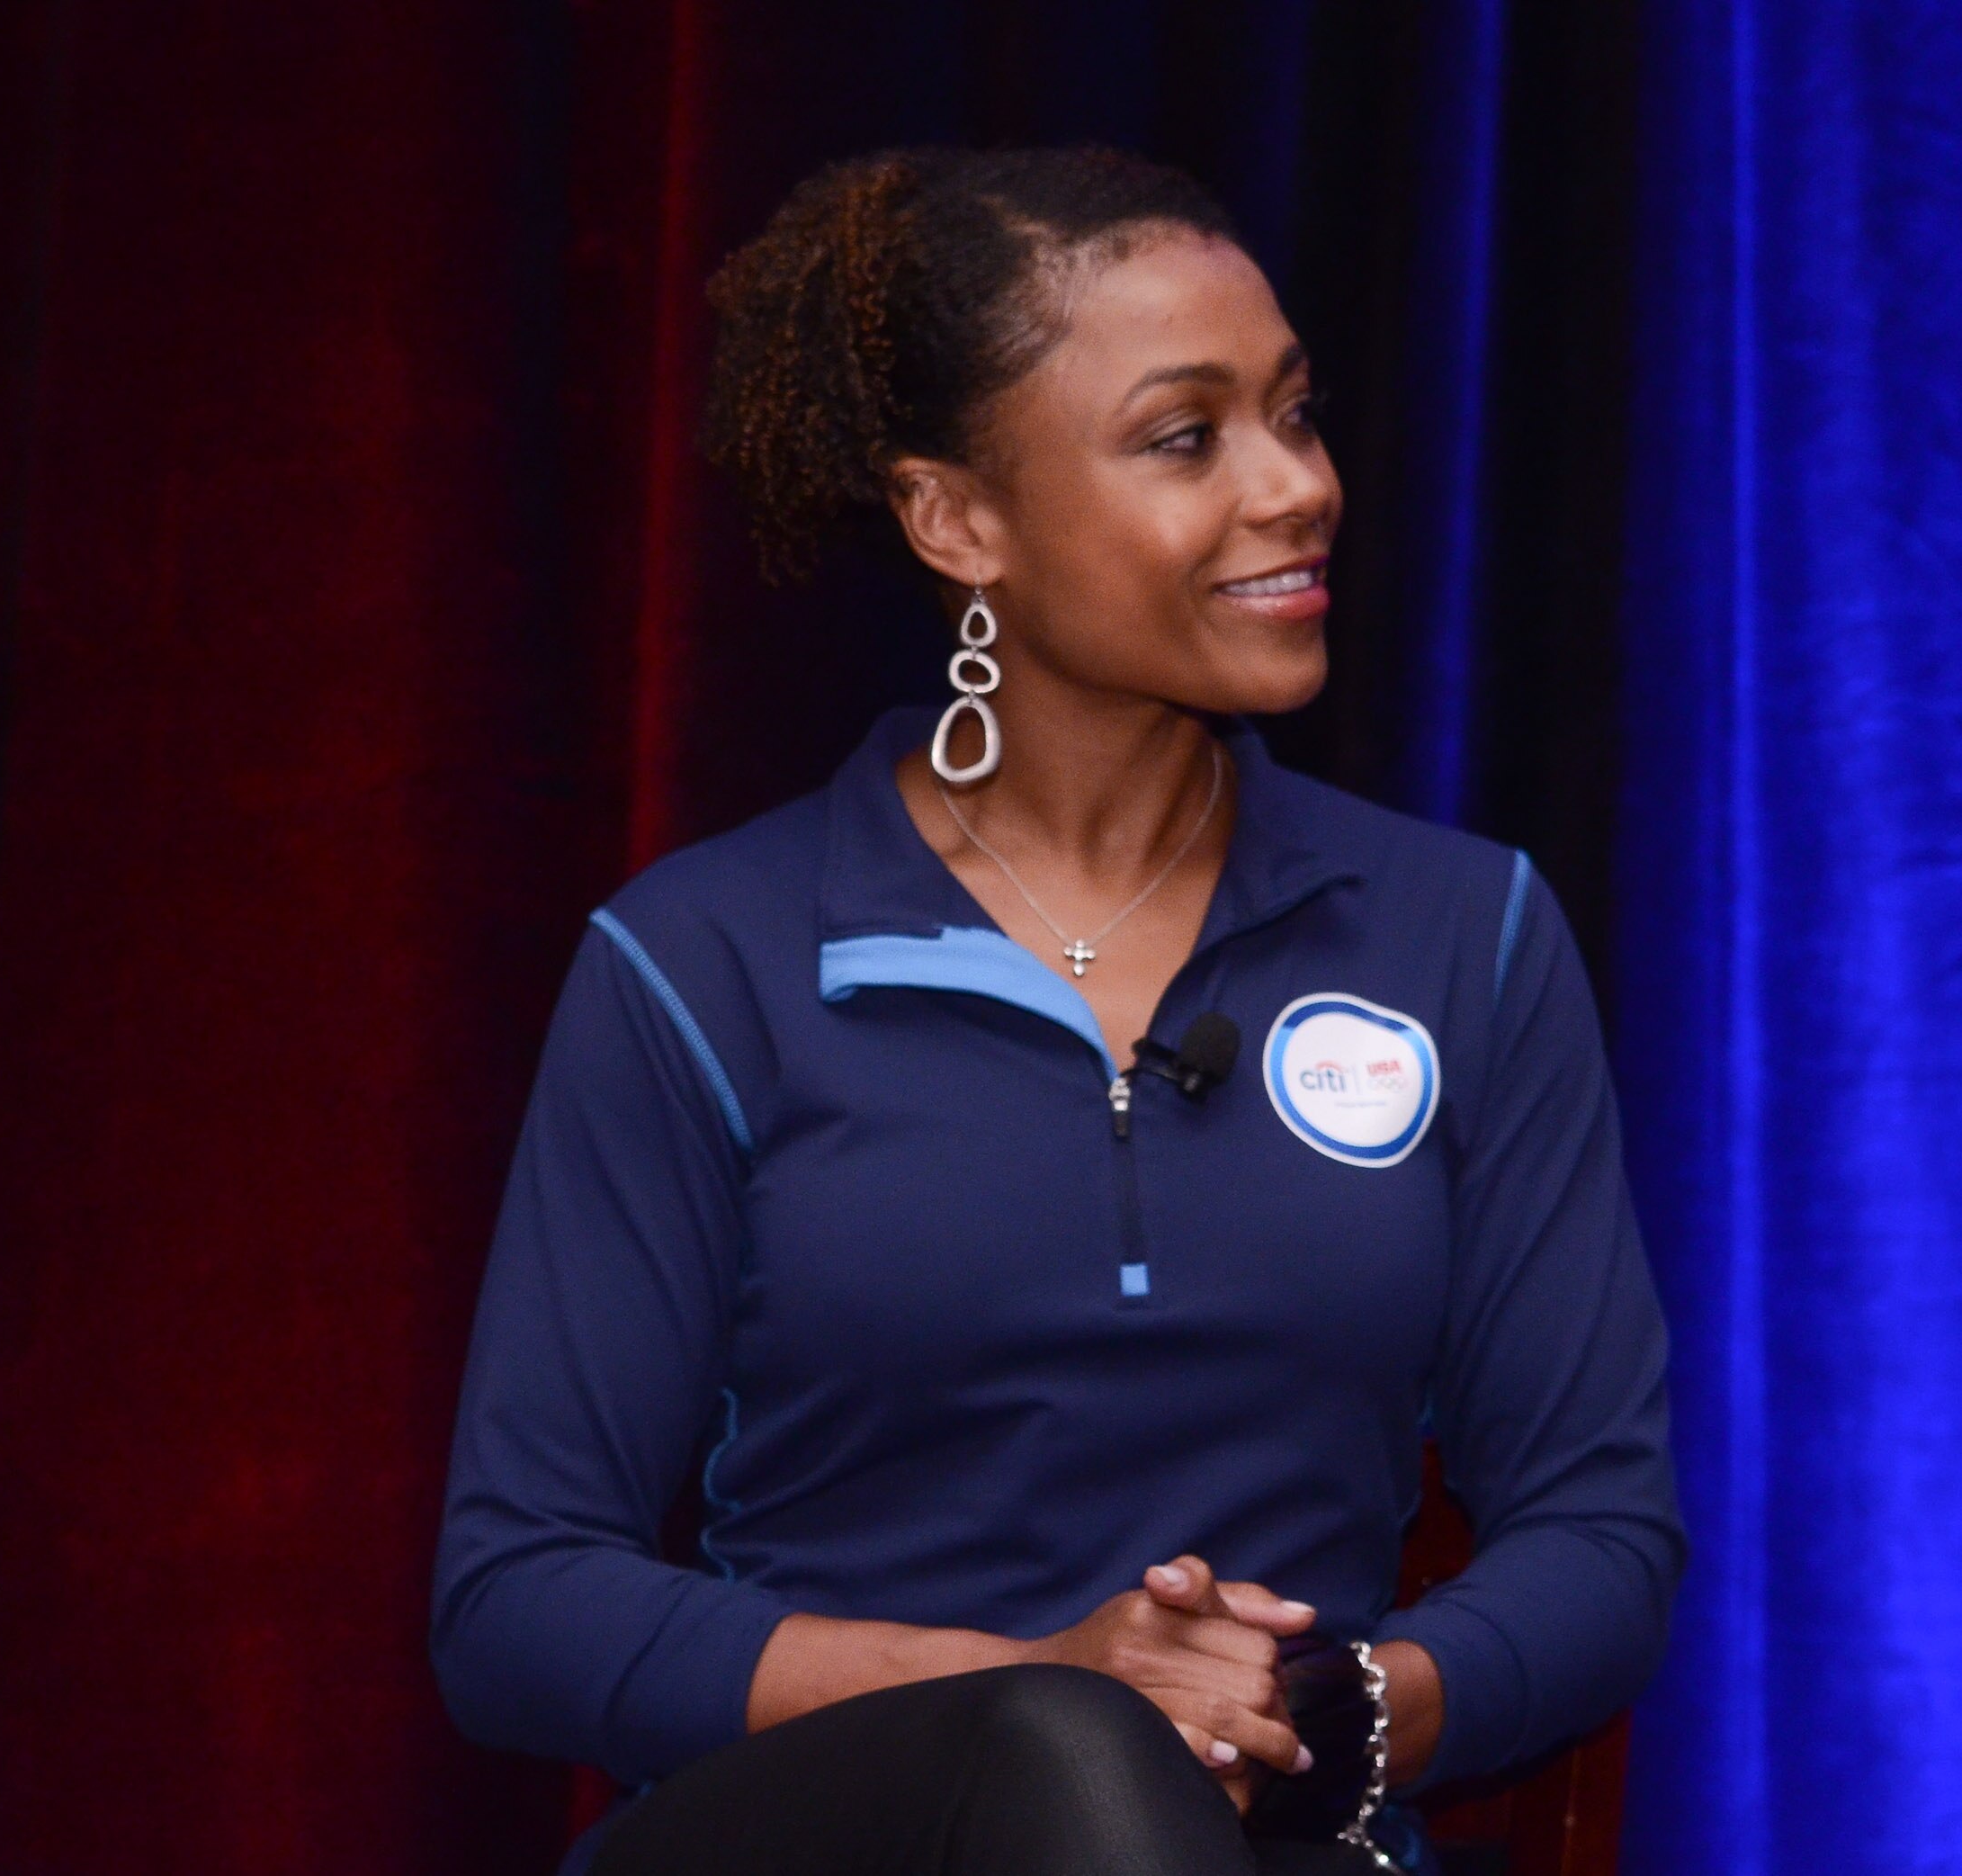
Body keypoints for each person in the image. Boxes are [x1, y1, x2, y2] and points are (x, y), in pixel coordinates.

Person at [430, 144, 1683, 1876]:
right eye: (1189, 438)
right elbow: (516, 1599)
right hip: (814, 1849)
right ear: (961, 521)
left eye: (1296, 415)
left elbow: (1603, 1532)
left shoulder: (1464, 935)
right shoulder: (704, 958)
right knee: (1064, 1754)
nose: (1296, 484)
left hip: (1284, 1841)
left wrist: (1320, 1716)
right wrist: (1050, 1688)